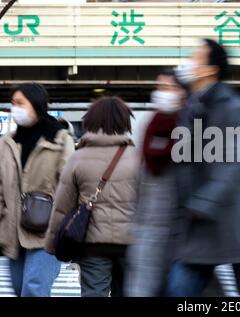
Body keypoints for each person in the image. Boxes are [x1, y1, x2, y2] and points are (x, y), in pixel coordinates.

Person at [166, 39, 240, 297]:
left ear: (211, 69)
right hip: (199, 220)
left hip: (227, 213)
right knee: (179, 290)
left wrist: (203, 201)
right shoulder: (190, 106)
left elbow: (233, 161)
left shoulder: (230, 105)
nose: (189, 62)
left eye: (195, 57)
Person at [45, 96, 140, 297]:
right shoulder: (138, 159)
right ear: (125, 122)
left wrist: (53, 243)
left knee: (93, 293)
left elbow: (63, 205)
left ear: (91, 122)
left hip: (92, 245)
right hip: (131, 244)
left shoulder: (78, 158)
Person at [0, 83, 74, 297]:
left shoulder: (59, 140)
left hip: (47, 230)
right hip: (13, 229)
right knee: (18, 286)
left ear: (36, 105)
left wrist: (61, 221)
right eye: (13, 103)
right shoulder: (8, 143)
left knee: (34, 288)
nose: (15, 108)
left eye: (21, 103)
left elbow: (69, 184)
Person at [125, 70, 187, 297]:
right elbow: (139, 178)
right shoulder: (149, 125)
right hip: (147, 229)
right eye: (160, 87)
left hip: (184, 233)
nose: (162, 93)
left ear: (184, 93)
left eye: (169, 88)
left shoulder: (194, 128)